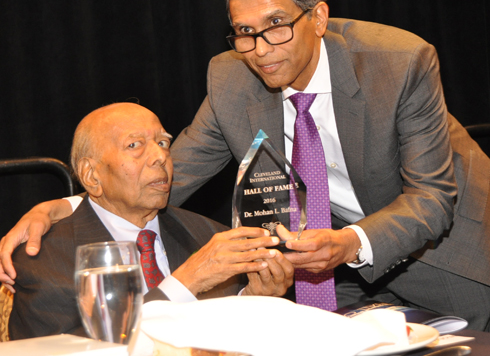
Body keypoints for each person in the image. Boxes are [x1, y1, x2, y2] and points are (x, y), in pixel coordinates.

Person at [2, 0, 490, 331]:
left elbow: (433, 198)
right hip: (335, 281)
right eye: (244, 32)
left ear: (319, 19)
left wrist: (348, 243)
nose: (260, 51)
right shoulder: (231, 79)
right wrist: (68, 206)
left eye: (276, 26)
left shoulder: (399, 62)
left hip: (452, 256)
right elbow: (165, 173)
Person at [7, 102, 293, 340]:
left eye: (163, 143)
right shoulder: (43, 259)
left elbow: (226, 338)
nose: (160, 156)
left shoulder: (208, 234)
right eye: (134, 145)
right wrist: (184, 283)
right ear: (91, 175)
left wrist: (253, 299)